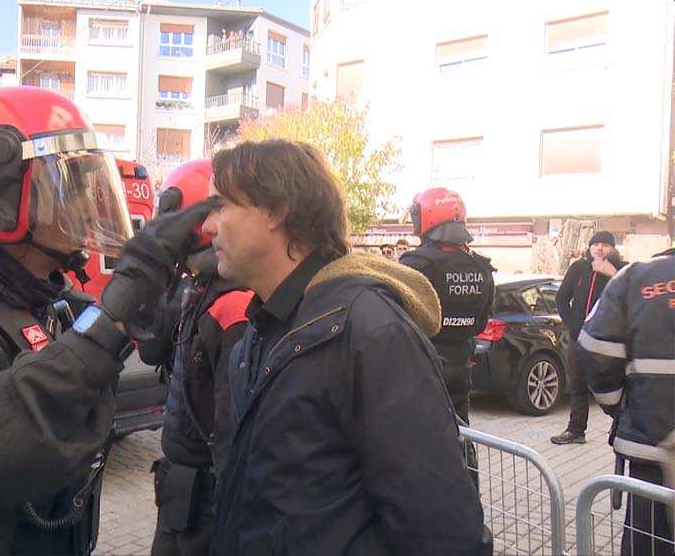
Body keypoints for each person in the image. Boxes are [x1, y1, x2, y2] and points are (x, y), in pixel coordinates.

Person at [0, 86, 214, 556]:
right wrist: (108, 325)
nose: (87, 200)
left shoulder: (48, 301)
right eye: (68, 182)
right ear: (3, 194)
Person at [203, 140, 491, 555]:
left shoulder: (371, 331)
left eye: (221, 206)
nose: (208, 226)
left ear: (276, 210)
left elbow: (445, 533)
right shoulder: (262, 329)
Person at [138, 159, 252, 556]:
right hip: (181, 495)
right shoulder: (199, 289)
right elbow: (152, 349)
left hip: (205, 502)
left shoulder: (233, 303)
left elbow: (231, 433)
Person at [575, 247, 674, 555]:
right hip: (652, 449)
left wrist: (618, 406)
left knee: (648, 544)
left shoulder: (635, 277)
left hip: (652, 448)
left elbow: (594, 348)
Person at [399, 187, 495, 428]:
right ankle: (467, 466)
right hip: (462, 363)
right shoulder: (481, 266)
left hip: (422, 363)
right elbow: (483, 321)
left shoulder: (415, 264)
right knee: (460, 432)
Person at [550, 230, 626, 445]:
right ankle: (576, 431)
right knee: (578, 387)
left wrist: (611, 272)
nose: (599, 248)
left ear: (612, 248)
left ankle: (620, 425)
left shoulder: (622, 270)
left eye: (604, 244)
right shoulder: (578, 268)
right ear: (590, 247)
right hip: (578, 338)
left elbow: (629, 293)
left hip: (608, 343)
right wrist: (570, 320)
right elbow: (562, 297)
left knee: (613, 387)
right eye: (595, 244)